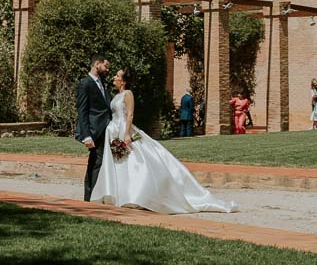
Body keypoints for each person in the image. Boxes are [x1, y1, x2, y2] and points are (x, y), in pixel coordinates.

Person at [91, 68, 234, 214]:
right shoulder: (117, 95)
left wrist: (127, 134)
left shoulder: (128, 94)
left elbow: (130, 115)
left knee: (133, 162)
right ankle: (119, 194)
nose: (114, 77)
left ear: (124, 80)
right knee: (119, 163)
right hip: (114, 130)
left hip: (123, 129)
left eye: (117, 75)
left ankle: (137, 195)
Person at [75, 55, 112, 202]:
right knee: (95, 163)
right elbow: (82, 111)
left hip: (106, 130)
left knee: (101, 163)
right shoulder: (85, 84)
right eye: (106, 66)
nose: (107, 70)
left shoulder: (102, 83)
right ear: (97, 64)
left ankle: (96, 196)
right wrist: (86, 135)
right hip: (94, 132)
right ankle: (88, 198)